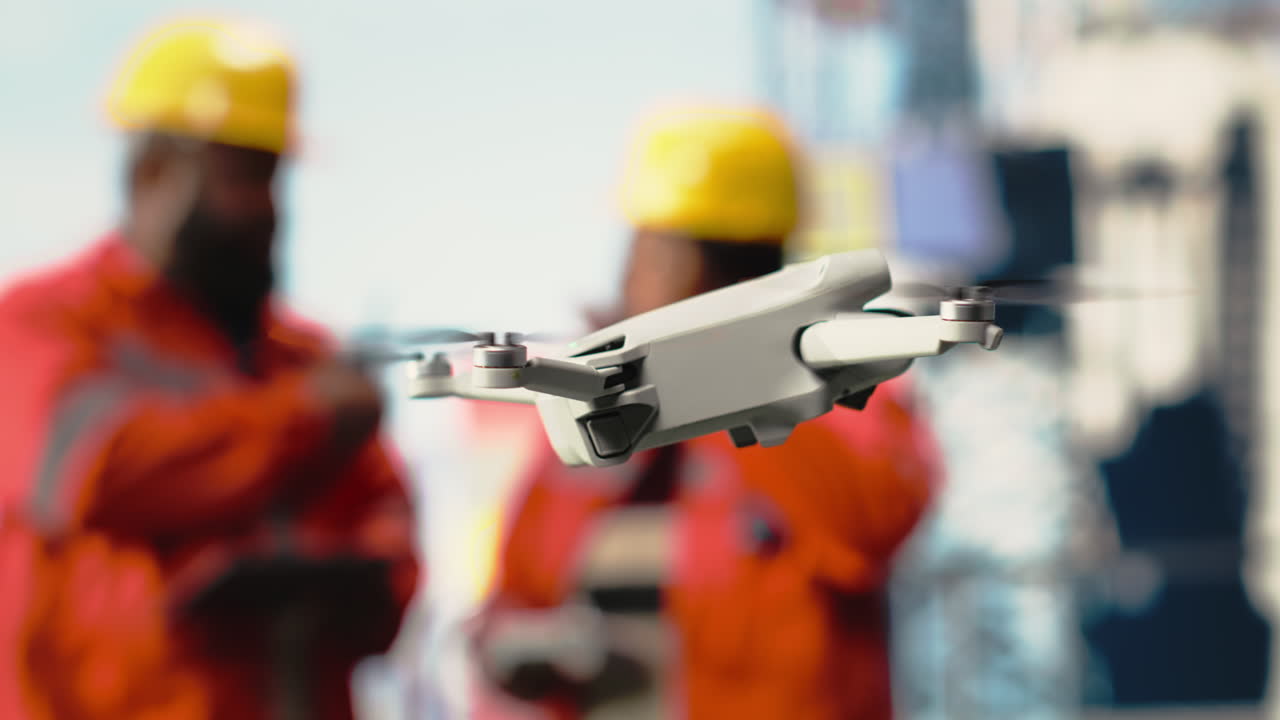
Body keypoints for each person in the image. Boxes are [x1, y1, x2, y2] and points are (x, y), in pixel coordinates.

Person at [0, 17, 418, 720]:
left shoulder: (306, 356)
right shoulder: (46, 323)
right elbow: (96, 469)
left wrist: (360, 586)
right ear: (154, 171)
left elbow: (388, 524)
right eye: (243, 177)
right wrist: (305, 420)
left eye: (275, 177)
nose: (269, 209)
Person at [470, 105, 938, 719]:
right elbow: (514, 597)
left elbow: (870, 522)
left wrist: (711, 367)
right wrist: (512, 651)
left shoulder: (844, 388)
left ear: (706, 268)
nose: (627, 275)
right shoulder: (596, 414)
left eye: (649, 252)